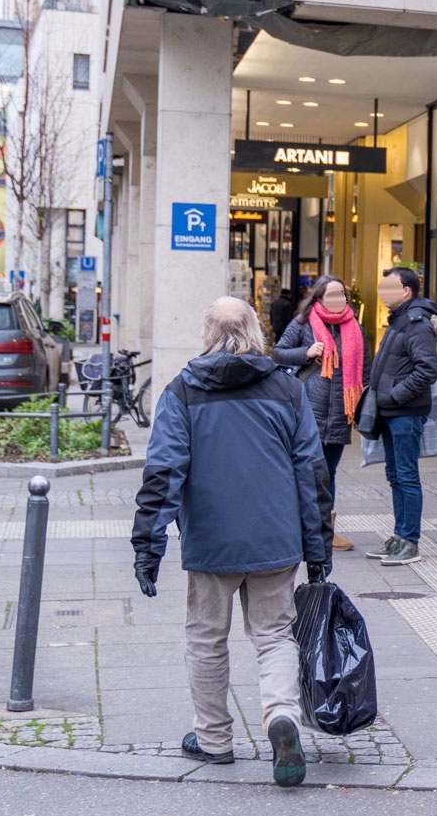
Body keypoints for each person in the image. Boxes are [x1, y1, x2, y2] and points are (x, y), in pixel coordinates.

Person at [130, 297, 331, 788]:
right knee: (275, 635)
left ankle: (215, 739)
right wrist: (318, 547)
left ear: (206, 333)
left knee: (206, 638)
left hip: (211, 541)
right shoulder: (286, 389)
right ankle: (281, 714)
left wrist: (148, 545)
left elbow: (164, 472)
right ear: (255, 332)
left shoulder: (182, 390)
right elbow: (312, 472)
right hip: (275, 537)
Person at [361, 266, 437, 566]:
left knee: (407, 476)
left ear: (405, 291)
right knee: (395, 475)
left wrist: (395, 396)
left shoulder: (416, 323)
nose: (382, 293)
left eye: (388, 287)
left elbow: (427, 370)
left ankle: (410, 541)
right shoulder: (399, 319)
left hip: (405, 412)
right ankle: (399, 537)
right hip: (391, 411)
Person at [274, 274, 365, 552]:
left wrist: (363, 405)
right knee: (303, 470)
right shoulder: (303, 323)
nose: (337, 299)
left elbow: (366, 369)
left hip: (339, 414)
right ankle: (296, 528)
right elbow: (278, 353)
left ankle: (326, 531)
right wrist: (306, 352)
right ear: (319, 297)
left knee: (328, 474)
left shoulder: (355, 327)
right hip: (307, 411)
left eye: (341, 294)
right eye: (331, 294)